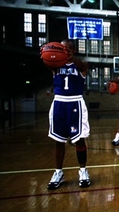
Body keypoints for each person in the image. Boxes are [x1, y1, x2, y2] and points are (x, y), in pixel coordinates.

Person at [43, 39, 91, 189]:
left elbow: (83, 66)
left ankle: (83, 171)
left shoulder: (81, 65)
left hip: (75, 102)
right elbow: (47, 61)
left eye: (69, 48)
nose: (66, 50)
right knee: (59, 141)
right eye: (63, 48)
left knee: (80, 140)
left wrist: (72, 59)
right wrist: (46, 53)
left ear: (74, 50)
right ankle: (58, 173)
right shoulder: (55, 65)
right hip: (59, 103)